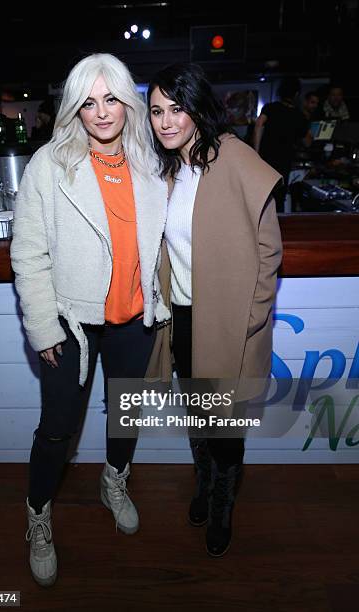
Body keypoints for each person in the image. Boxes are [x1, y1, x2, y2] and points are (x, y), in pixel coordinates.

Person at [10, 53, 170, 587]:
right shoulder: (47, 166)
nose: (102, 113)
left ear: (128, 102)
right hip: (70, 322)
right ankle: (38, 513)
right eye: (88, 101)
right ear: (74, 108)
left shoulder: (151, 165)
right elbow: (28, 256)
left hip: (134, 320)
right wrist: (43, 328)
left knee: (125, 414)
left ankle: (114, 480)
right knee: (58, 429)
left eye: (112, 99)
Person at [147, 63, 283, 557]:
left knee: (224, 426)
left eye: (176, 109)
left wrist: (251, 318)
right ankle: (204, 483)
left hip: (228, 324)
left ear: (197, 107)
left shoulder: (235, 158)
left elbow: (270, 250)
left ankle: (223, 501)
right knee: (198, 418)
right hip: (184, 320)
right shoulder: (167, 168)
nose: (165, 121)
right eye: (157, 111)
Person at [252, 77, 311, 211]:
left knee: (261, 194)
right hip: (284, 160)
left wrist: (256, 151)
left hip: (265, 158)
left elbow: (259, 124)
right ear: (296, 94)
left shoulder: (270, 108)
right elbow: (307, 142)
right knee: (278, 197)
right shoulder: (298, 115)